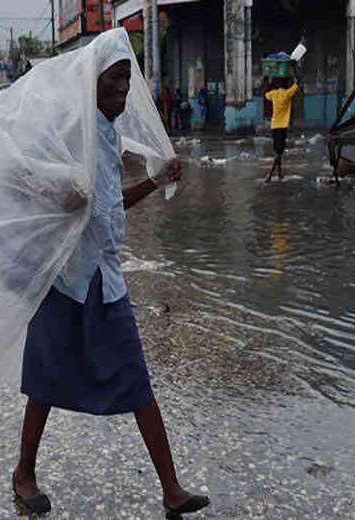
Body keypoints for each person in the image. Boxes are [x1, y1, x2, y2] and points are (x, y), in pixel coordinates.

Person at [13, 39, 210, 518]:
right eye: (113, 78)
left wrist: (157, 181)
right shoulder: (69, 129)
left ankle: (170, 489)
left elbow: (108, 204)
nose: (123, 86)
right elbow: (27, 177)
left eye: (127, 77)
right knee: (44, 379)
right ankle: (23, 472)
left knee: (137, 380)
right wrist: (62, 195)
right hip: (66, 277)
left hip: (103, 275)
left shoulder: (108, 135)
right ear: (91, 82)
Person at [264, 74, 300, 182]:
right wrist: (295, 71)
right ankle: (270, 175)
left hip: (274, 126)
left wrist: (268, 82)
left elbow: (266, 94)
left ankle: (279, 173)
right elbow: (298, 83)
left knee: (277, 152)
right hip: (282, 126)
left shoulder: (273, 94)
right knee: (278, 153)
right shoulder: (287, 94)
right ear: (285, 84)